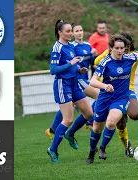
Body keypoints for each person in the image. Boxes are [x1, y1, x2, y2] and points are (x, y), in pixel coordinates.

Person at [92, 33, 138, 158]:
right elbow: (96, 62)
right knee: (114, 123)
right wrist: (107, 55)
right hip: (110, 90)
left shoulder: (134, 55)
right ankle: (126, 147)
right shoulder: (110, 55)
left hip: (127, 90)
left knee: (135, 115)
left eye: (125, 47)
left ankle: (121, 112)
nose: (122, 50)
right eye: (119, 48)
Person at [46, 20, 93, 163]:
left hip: (74, 82)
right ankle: (52, 149)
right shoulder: (57, 48)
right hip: (63, 84)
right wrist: (70, 63)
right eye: (68, 31)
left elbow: (72, 64)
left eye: (71, 31)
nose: (71, 33)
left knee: (89, 113)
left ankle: (70, 133)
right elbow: (53, 70)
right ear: (60, 32)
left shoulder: (70, 46)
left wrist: (79, 69)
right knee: (68, 119)